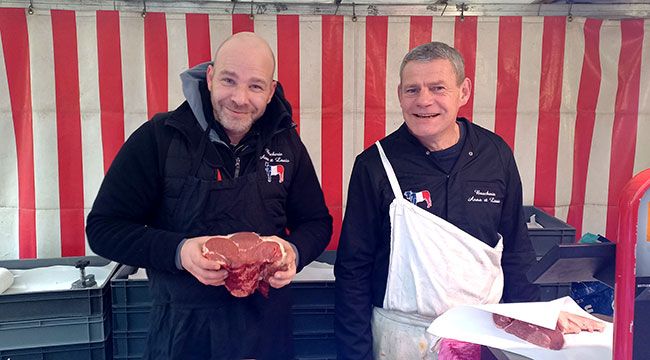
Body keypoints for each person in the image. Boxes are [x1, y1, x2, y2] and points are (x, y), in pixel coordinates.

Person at [334, 42, 602, 360]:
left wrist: (537, 326)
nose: (423, 101)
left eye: (437, 88)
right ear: (399, 94)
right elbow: (354, 270)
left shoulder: (495, 155)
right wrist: (355, 354)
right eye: (412, 90)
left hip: (484, 332)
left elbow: (516, 252)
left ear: (464, 91)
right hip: (401, 339)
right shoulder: (375, 165)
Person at [87, 32, 332, 360]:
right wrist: (179, 251)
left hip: (266, 331)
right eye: (229, 80)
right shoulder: (159, 138)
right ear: (211, 76)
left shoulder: (286, 144)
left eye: (255, 86)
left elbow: (317, 222)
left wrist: (295, 251)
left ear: (271, 90)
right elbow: (104, 229)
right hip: (183, 331)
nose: (240, 98)